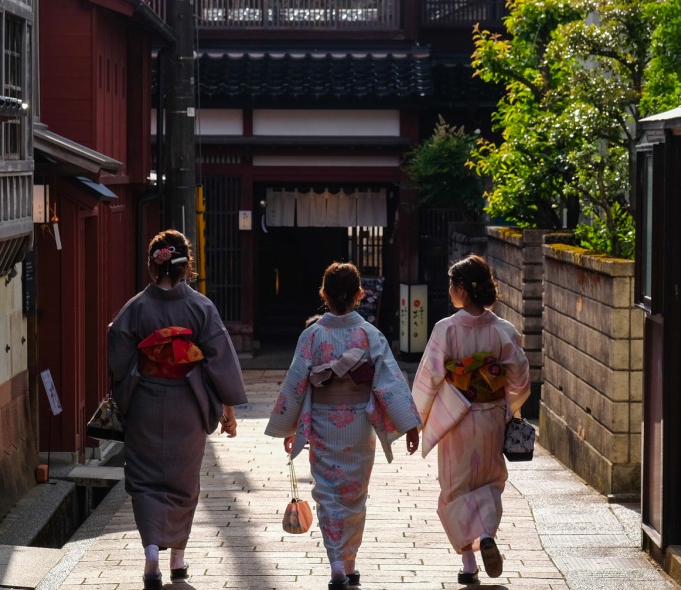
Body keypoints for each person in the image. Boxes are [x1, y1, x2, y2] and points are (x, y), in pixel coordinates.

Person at [265, 262, 422, 590]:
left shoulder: (312, 335)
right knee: (355, 495)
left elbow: (296, 384)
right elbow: (389, 382)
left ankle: (338, 563)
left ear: (324, 294)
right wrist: (408, 425)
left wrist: (291, 426)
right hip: (359, 425)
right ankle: (348, 563)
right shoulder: (369, 334)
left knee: (328, 494)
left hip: (323, 422)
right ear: (359, 295)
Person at [107, 229, 249, 590]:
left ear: (153, 265)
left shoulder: (136, 307)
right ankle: (178, 559)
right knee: (183, 482)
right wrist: (228, 409)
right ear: (187, 266)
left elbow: (119, 355)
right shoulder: (201, 307)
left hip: (145, 403)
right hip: (188, 401)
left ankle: (151, 553)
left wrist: (133, 380)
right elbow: (220, 360)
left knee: (144, 480)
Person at [411, 254, 530, 586]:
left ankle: (468, 563)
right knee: (490, 482)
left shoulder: (446, 329)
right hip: (491, 417)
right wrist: (509, 407)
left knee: (454, 487)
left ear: (461, 289)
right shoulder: (504, 331)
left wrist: (415, 420)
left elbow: (430, 378)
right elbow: (520, 378)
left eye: (452, 284)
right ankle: (486, 532)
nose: (450, 289)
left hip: (456, 421)